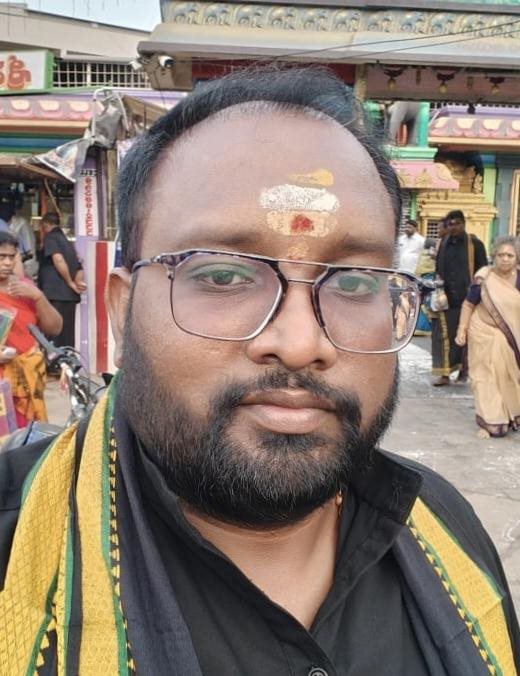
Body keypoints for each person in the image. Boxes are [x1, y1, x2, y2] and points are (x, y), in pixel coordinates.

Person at [0, 68, 518, 674]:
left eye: (355, 283)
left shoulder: (446, 528)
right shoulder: (16, 552)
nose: (300, 344)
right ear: (122, 310)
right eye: (224, 275)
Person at [455, 236, 520, 438]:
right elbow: (468, 304)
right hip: (481, 332)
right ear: (494, 256)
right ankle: (488, 420)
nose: (505, 259)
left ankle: (508, 415)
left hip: (509, 336)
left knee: (507, 376)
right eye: (501, 255)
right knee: (484, 378)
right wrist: (462, 329)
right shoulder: (484, 278)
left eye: (510, 255)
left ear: (517, 258)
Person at [0, 231, 62, 428]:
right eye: (2, 257)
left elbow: (55, 327)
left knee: (27, 437)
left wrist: (38, 297)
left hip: (28, 381)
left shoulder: (25, 288)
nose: (8, 263)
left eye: (12, 257)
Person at [431, 209, 487, 386]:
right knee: (443, 337)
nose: (454, 227)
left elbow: (483, 271)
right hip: (446, 299)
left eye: (457, 223)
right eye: (450, 224)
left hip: (468, 300)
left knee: (466, 336)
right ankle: (445, 374)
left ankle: (464, 372)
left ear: (463, 224)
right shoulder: (443, 244)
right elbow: (438, 269)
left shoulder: (474, 244)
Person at [38, 211, 86, 348]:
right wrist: (77, 282)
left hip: (55, 293)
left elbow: (58, 260)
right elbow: (79, 265)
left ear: (46, 224)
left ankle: (56, 361)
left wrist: (71, 282)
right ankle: (68, 359)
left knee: (54, 334)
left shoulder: (50, 238)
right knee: (67, 334)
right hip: (69, 296)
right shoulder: (67, 241)